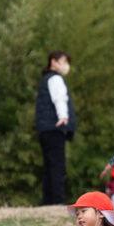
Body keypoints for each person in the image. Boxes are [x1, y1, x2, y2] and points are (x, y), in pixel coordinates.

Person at [35, 50, 77, 205]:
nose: (66, 65)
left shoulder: (45, 79)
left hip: (44, 128)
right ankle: (58, 201)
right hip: (54, 127)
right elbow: (60, 99)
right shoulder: (55, 79)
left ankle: (48, 201)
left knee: (48, 166)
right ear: (53, 61)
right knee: (57, 166)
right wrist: (63, 118)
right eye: (63, 61)